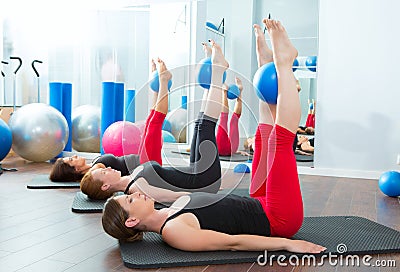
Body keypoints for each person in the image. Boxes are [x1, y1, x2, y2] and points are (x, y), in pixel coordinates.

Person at [101, 22, 326, 254]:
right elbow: (233, 243)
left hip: (258, 200)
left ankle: (267, 64)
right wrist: (287, 243)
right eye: (129, 201)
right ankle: (284, 63)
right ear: (132, 222)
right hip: (278, 219)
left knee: (262, 139)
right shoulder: (174, 231)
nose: (134, 195)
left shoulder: (167, 208)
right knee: (279, 142)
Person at [81, 55, 222, 200]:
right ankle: (218, 70)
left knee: (199, 125)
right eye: (104, 173)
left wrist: (158, 87)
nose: (108, 168)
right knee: (205, 126)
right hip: (205, 182)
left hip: (197, 173)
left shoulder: (131, 178)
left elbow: (152, 122)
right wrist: (206, 199)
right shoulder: (137, 188)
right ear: (105, 186)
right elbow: (176, 197)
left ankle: (213, 77)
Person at [49, 59, 166, 183]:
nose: (74, 156)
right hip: (146, 165)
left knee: (151, 121)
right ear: (76, 170)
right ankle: (163, 81)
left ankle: (158, 88)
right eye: (71, 160)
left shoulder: (94, 165)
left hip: (146, 161)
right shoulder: (95, 171)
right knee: (154, 122)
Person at [202, 42, 243, 156]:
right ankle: (231, 90)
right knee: (229, 121)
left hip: (223, 149)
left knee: (209, 120)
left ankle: (210, 59)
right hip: (226, 149)